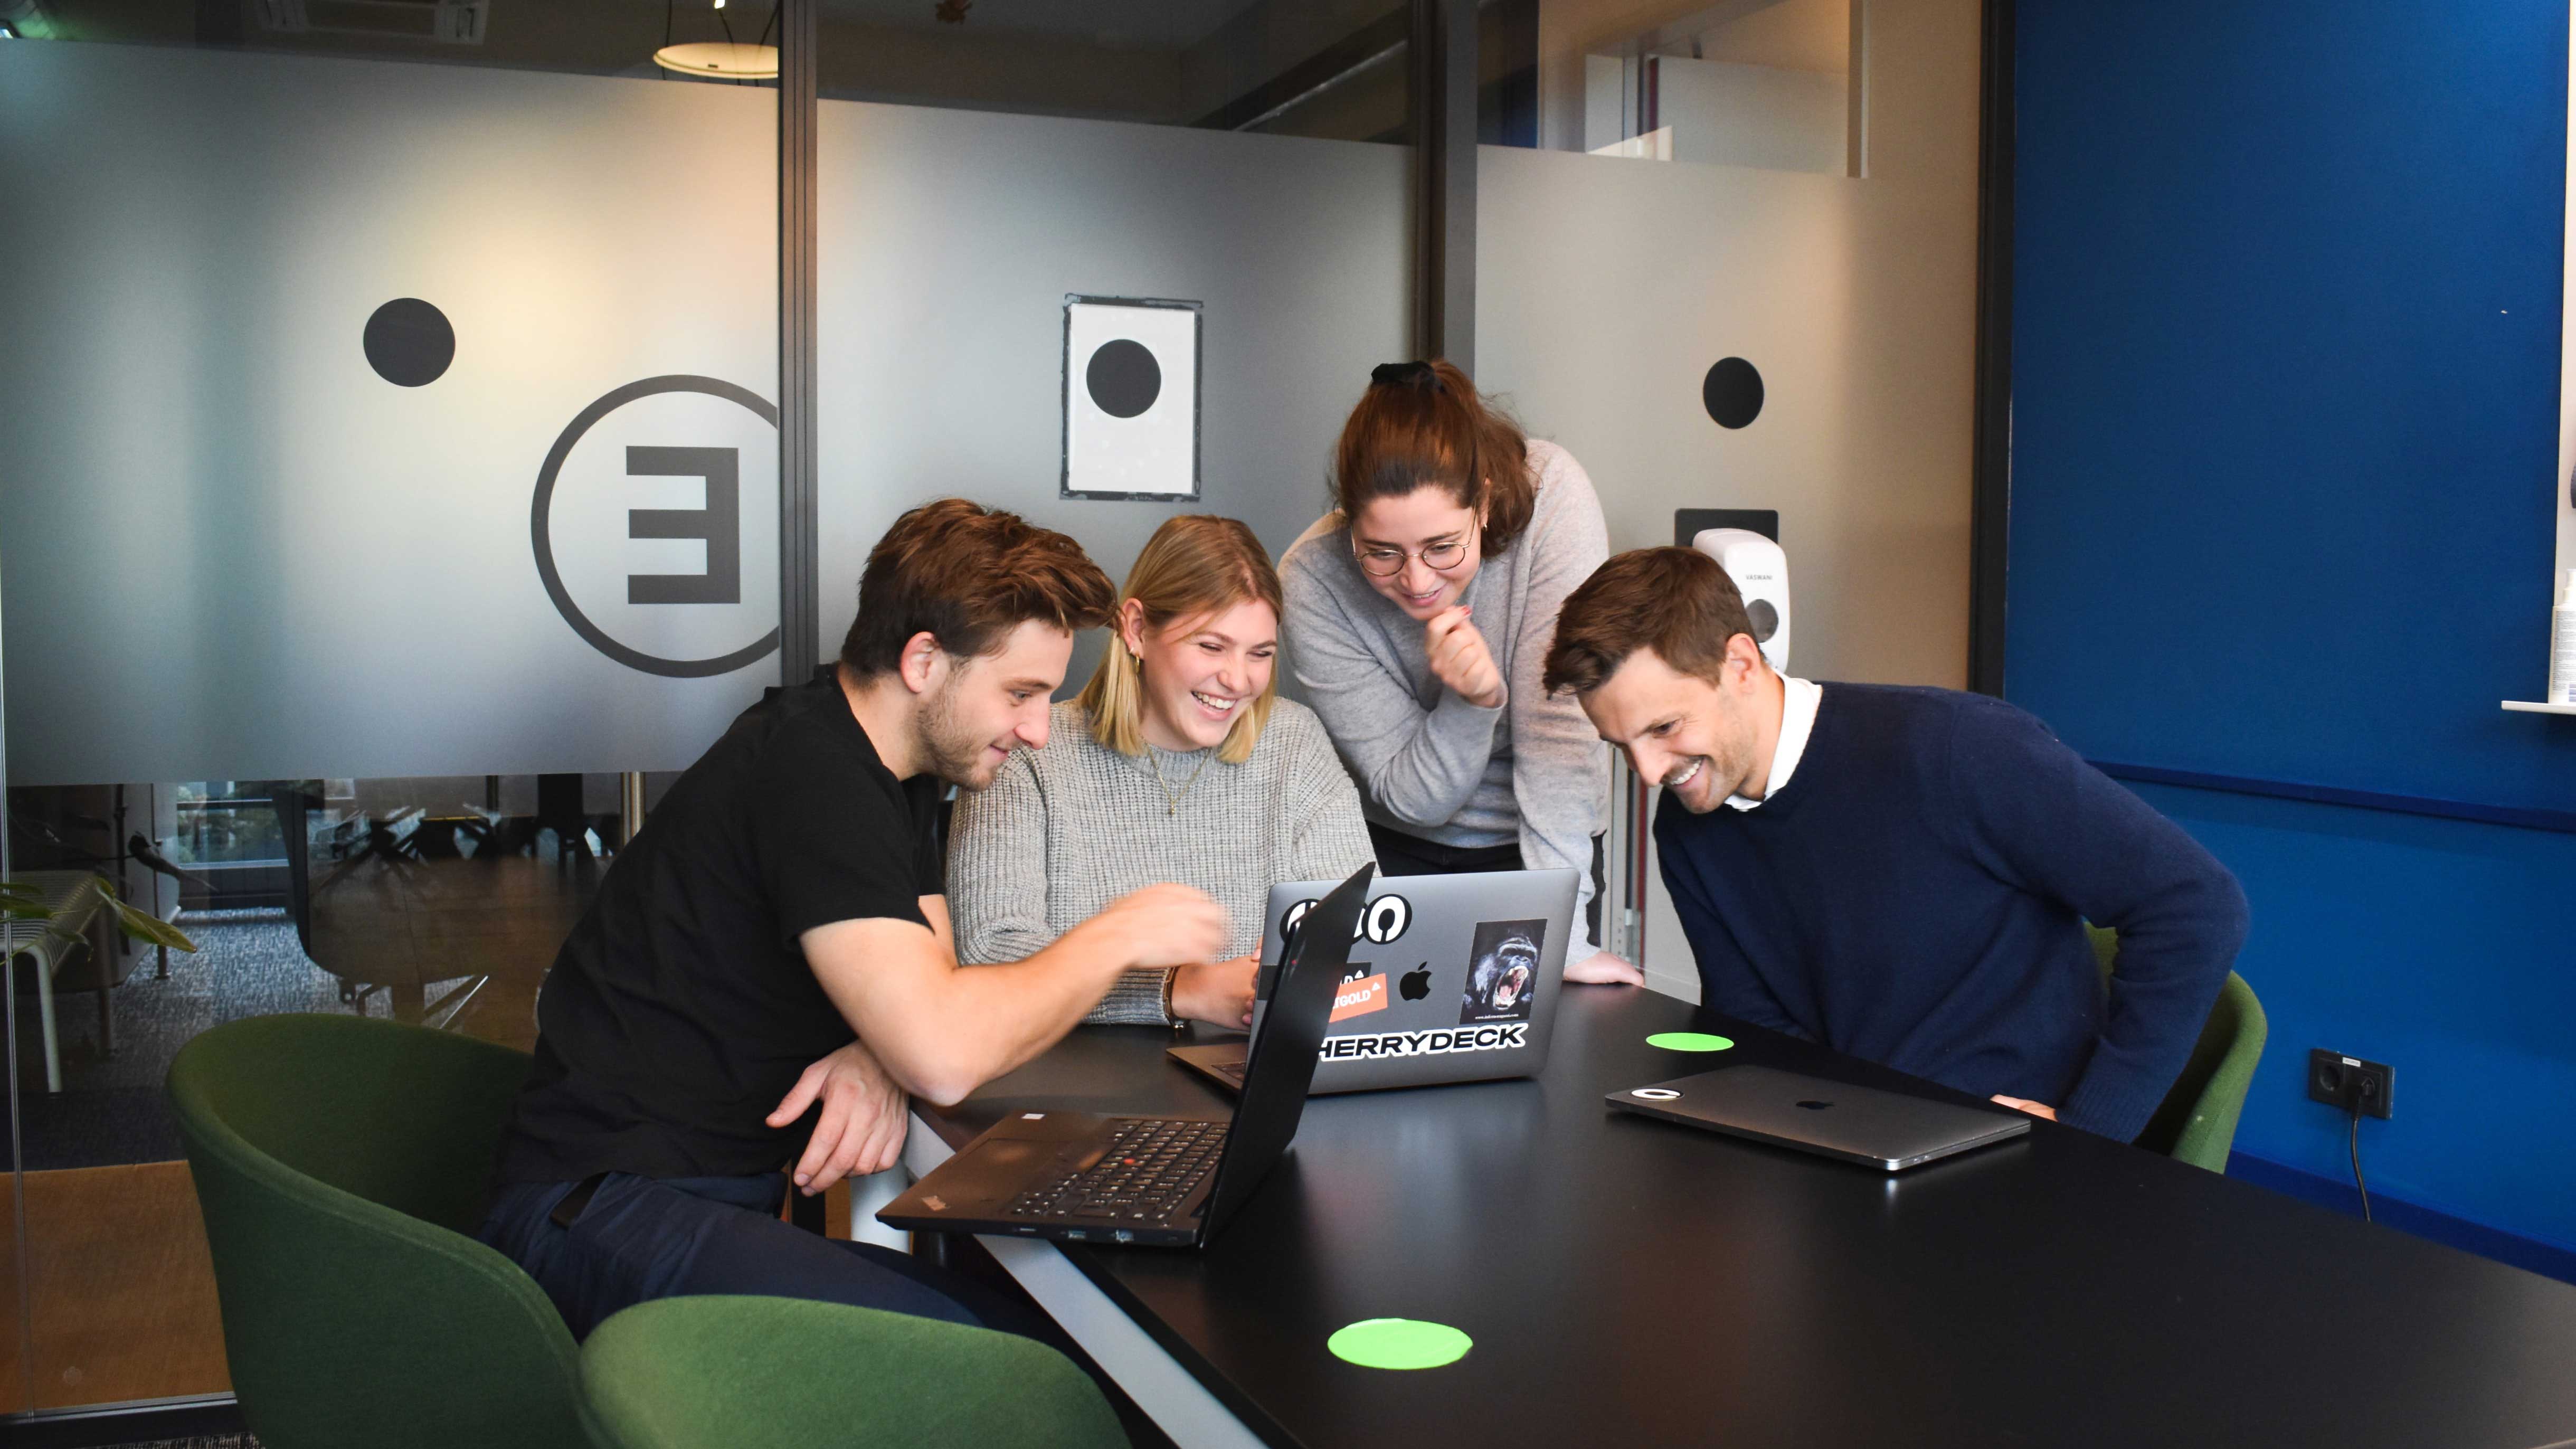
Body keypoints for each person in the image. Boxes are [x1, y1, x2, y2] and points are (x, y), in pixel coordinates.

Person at [477, 499, 1229, 1339]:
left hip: (690, 1199)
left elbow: (933, 971)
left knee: (1047, 1336)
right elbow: (945, 1056)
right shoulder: (812, 771)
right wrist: (1117, 934)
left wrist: (883, 1048)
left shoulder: (893, 769)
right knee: (1019, 1360)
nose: (1036, 730)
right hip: (596, 1213)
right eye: (1021, 692)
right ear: (922, 661)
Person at [1540, 546, 2249, 1141]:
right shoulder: (1690, 828)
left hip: (2018, 1158)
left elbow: (2195, 905)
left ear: (1742, 664)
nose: (1649, 772)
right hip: (1867, 1148)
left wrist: (2090, 1132)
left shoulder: (1953, 749)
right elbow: (1760, 1033)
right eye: (1619, 745)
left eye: (1663, 728)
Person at [1280, 359, 1640, 985]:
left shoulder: (1552, 494)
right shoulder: (1312, 580)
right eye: (1381, 553)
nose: (1417, 582)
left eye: (1442, 547)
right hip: (1397, 852)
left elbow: (1561, 734)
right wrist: (1472, 703)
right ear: (1348, 523)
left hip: (1550, 851)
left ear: (1486, 500)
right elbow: (1413, 797)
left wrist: (1565, 939)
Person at [949, 515, 1374, 1028]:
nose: (1237, 680)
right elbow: (990, 957)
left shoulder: (1293, 743)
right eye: (1210, 646)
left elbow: (1370, 943)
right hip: (1069, 1079)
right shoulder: (1026, 750)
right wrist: (1177, 989)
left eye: (1259, 654)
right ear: (1136, 629)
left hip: (1243, 1073)